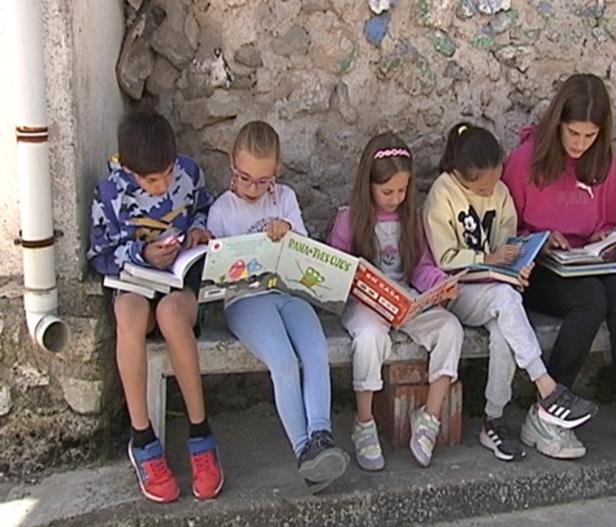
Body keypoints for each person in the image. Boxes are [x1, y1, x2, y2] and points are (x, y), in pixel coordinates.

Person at [423, 122, 598, 462]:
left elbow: (508, 242)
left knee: (505, 326)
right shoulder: (442, 194)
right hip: (460, 293)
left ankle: (494, 419)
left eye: (496, 182)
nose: (492, 191)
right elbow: (444, 260)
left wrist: (521, 261)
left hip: (497, 291)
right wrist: (485, 260)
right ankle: (547, 387)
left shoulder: (500, 192)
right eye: (483, 187)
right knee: (506, 300)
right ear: (460, 175)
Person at [502, 73, 616, 460]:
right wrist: (542, 237)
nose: (580, 145)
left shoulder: (603, 163)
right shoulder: (524, 162)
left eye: (589, 137)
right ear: (557, 125)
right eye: (573, 134)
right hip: (537, 269)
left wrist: (605, 243)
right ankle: (550, 410)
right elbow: (505, 230)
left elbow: (605, 220)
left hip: (583, 262)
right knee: (591, 300)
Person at [87, 109, 222, 503]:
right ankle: (143, 439)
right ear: (129, 171)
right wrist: (143, 252)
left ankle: (201, 434)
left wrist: (198, 229)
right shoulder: (109, 194)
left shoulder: (189, 173)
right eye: (151, 180)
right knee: (128, 312)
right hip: (136, 285)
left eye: (167, 173)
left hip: (180, 289)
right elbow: (99, 254)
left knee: (170, 314)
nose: (163, 185)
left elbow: (204, 208)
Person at [206, 121, 348, 492]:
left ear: (276, 173)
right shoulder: (222, 209)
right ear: (232, 168)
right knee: (283, 362)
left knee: (315, 350)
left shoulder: (283, 198)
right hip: (245, 302)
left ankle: (321, 437)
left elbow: (305, 253)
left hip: (288, 293)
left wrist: (288, 232)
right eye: (245, 178)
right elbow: (216, 274)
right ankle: (304, 452)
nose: (253, 188)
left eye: (263, 180)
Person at [328, 132, 464, 469]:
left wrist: (440, 285)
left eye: (402, 191)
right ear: (368, 185)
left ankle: (429, 418)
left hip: (406, 301)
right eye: (387, 191)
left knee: (450, 328)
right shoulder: (350, 219)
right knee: (371, 338)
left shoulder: (410, 219)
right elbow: (335, 270)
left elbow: (421, 267)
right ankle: (364, 422)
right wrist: (358, 286)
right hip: (365, 306)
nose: (395, 198)